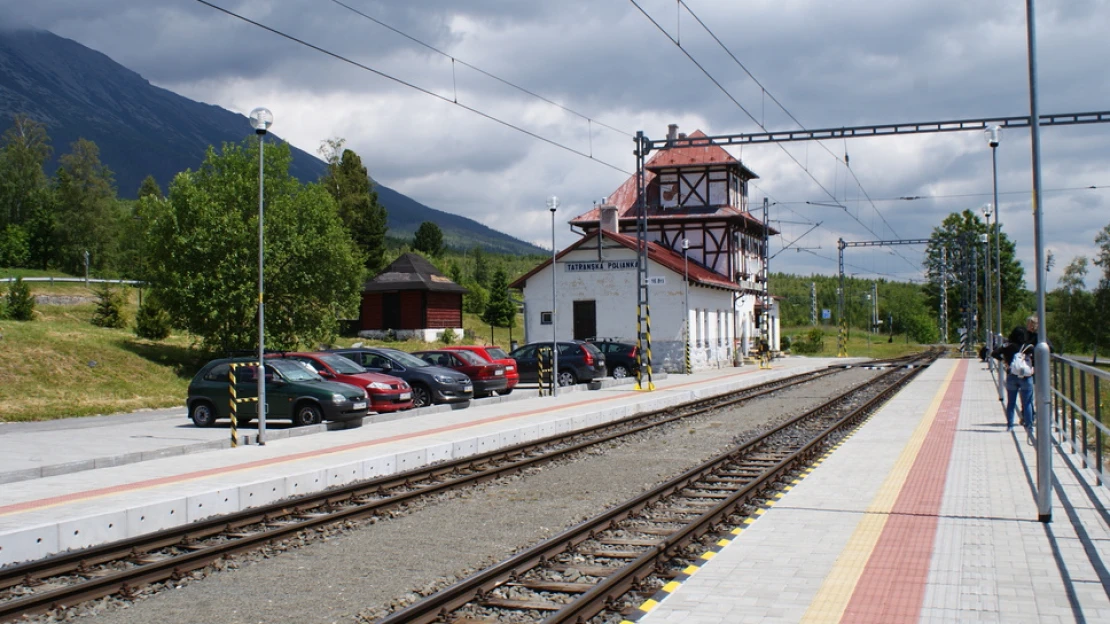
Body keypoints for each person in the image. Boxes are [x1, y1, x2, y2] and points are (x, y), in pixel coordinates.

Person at [991, 316, 1038, 431]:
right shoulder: (1028, 347)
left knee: (1011, 402)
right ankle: (1029, 425)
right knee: (1027, 402)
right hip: (1026, 377)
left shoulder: (1007, 346)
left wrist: (1004, 361)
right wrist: (1033, 368)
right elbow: (1036, 359)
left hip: (1011, 375)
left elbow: (994, 353)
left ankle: (1010, 426)